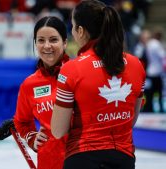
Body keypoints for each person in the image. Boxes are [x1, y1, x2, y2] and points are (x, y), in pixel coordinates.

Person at [51, 1, 146, 169]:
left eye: (72, 27)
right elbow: (131, 120)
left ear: (80, 31)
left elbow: (58, 130)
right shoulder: (136, 65)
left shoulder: (71, 69)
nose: (72, 32)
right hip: (123, 158)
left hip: (82, 157)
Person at [13, 16, 69, 169]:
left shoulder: (79, 74)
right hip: (49, 161)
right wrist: (32, 138)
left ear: (65, 42)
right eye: (41, 40)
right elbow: (21, 121)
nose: (47, 46)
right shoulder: (29, 84)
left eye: (53, 40)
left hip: (81, 158)